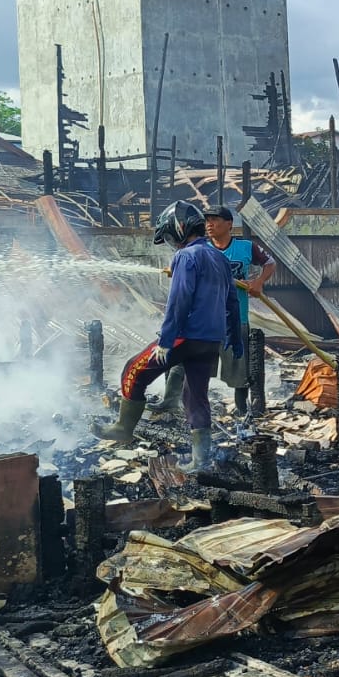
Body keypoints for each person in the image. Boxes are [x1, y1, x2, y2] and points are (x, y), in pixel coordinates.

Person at [94, 200, 242, 473]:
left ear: (180, 229)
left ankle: (123, 428)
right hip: (211, 339)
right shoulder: (219, 257)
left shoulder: (186, 256)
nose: (172, 243)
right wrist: (234, 337)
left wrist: (165, 340)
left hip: (185, 336)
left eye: (172, 237)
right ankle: (201, 461)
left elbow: (179, 301)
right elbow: (232, 301)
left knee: (133, 370)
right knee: (196, 396)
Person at [150, 207, 276, 417]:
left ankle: (241, 409)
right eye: (207, 220)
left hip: (234, 315)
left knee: (237, 366)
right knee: (185, 363)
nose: (209, 224)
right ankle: (171, 402)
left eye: (215, 220)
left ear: (229, 224)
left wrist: (258, 282)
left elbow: (270, 263)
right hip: (202, 318)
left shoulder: (245, 247)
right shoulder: (200, 248)